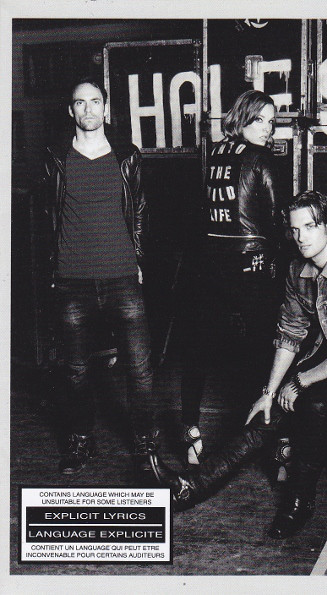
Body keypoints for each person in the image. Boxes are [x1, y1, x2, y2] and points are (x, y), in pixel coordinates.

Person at [151, 190, 327, 539]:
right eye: (295, 229)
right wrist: (270, 392)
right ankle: (191, 487)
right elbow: (290, 333)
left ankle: (300, 501)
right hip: (326, 352)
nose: (300, 237)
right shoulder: (297, 269)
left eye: (310, 227)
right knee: (266, 412)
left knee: (315, 404)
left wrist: (300, 381)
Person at [43, 77, 158, 475]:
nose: (89, 109)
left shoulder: (126, 154)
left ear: (106, 108)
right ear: (70, 110)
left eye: (95, 101)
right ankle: (80, 441)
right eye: (81, 102)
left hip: (121, 275)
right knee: (75, 371)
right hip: (72, 278)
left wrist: (138, 258)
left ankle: (145, 444)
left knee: (140, 368)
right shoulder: (56, 156)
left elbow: (139, 208)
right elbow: (47, 215)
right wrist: (52, 267)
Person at [179, 90, 280, 465]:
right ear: (242, 118)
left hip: (211, 266)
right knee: (265, 351)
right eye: (260, 119)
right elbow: (275, 218)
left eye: (271, 122)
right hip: (250, 266)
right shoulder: (260, 158)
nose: (267, 129)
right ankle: (273, 443)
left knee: (197, 350)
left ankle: (190, 431)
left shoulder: (216, 153)